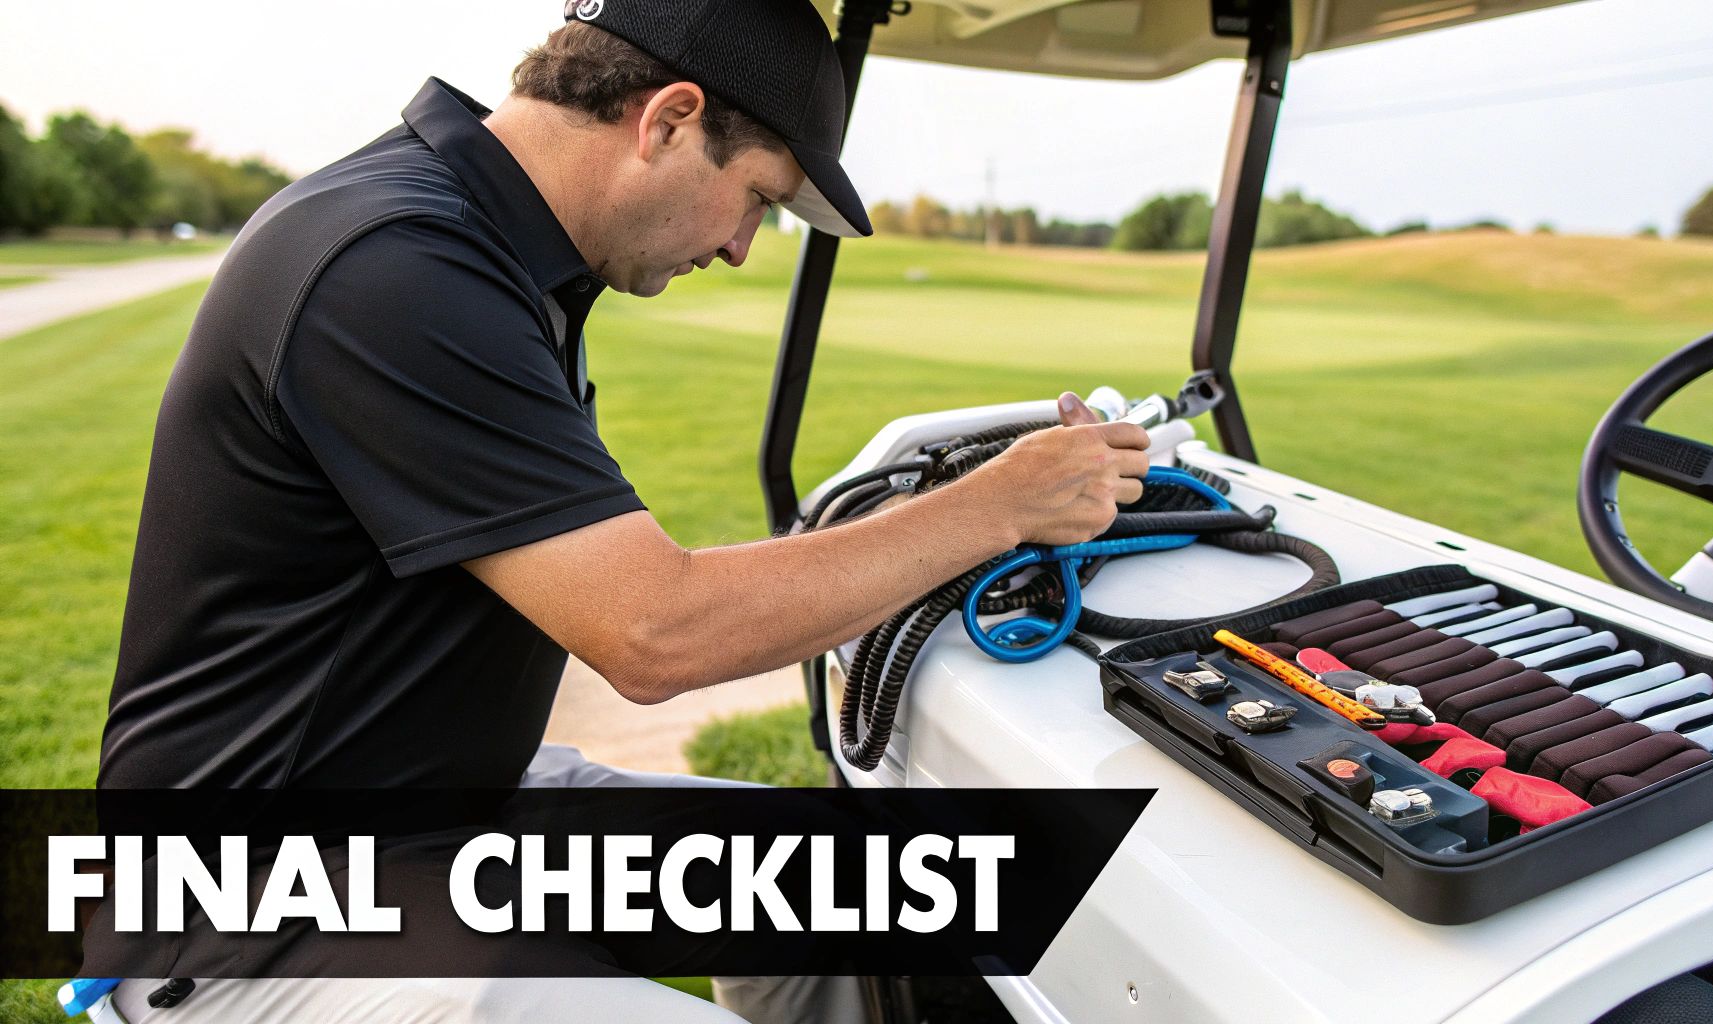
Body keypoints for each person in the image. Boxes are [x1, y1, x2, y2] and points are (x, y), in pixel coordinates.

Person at [94, 0, 1151, 1019]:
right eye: (756, 197)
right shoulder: (396, 263)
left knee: (846, 871)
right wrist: (998, 506)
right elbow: (656, 631)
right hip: (253, 902)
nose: (741, 247)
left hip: (450, 805)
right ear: (670, 120)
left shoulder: (496, 249)